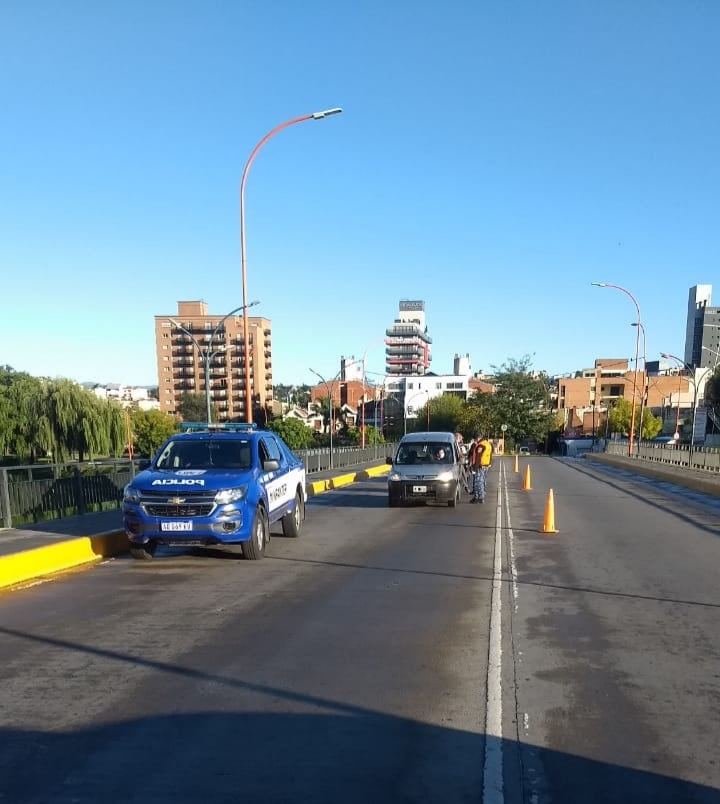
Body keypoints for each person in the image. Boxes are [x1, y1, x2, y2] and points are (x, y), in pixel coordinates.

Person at [469, 432, 492, 503]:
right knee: (481, 481)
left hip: (480, 466)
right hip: (486, 465)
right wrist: (489, 463)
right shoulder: (487, 443)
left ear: (478, 438)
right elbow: (490, 454)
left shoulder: (480, 445)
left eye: (475, 439)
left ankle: (479, 498)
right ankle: (477, 497)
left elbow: (478, 457)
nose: (474, 440)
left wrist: (474, 469)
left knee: (478, 482)